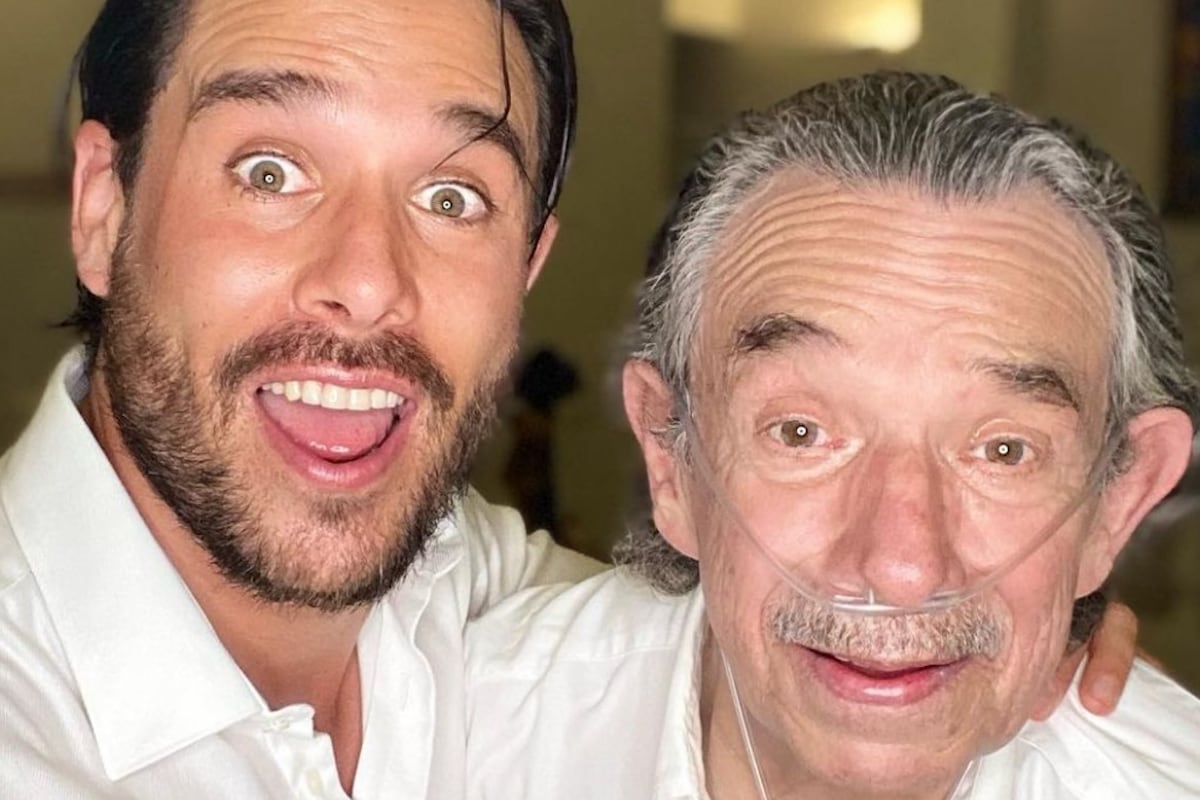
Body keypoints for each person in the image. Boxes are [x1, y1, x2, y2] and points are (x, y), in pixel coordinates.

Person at [464, 71, 1200, 799]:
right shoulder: (446, 730)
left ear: (1119, 500)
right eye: (801, 432)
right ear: (669, 454)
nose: (901, 568)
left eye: (1003, 451)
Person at [0, 0, 607, 797]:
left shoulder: (498, 603)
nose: (366, 284)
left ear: (526, 268)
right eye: (270, 172)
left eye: (452, 198)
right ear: (104, 211)